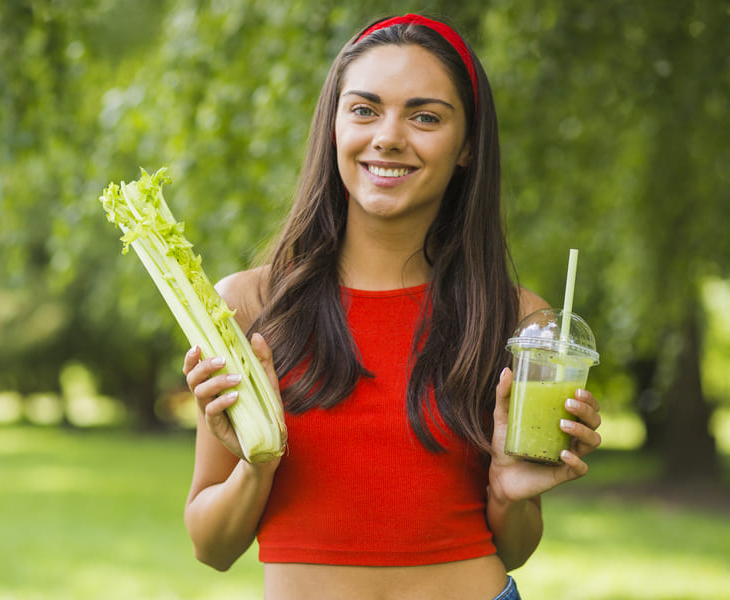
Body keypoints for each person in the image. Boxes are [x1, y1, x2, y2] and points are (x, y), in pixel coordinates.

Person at [182, 13, 602, 600]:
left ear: (468, 148)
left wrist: (510, 492)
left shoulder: (519, 323)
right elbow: (212, 547)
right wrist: (257, 463)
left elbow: (513, 548)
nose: (388, 136)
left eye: (425, 116)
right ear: (333, 128)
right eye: (364, 110)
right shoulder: (248, 305)